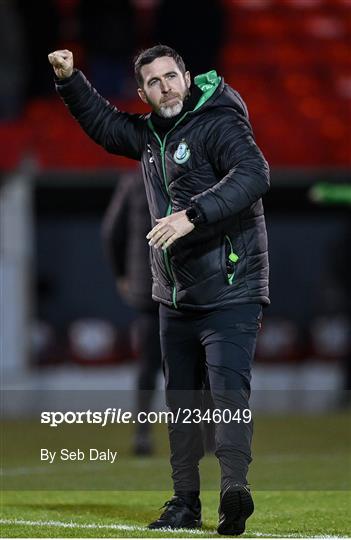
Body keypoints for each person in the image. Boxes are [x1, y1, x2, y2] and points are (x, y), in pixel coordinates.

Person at [48, 44, 270, 535]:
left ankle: (235, 489)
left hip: (232, 287)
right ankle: (185, 504)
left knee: (229, 394)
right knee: (184, 402)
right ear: (144, 92)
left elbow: (255, 174)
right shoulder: (150, 135)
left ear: (187, 78)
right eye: (154, 81)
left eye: (171, 76)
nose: (165, 86)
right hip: (175, 296)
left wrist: (192, 216)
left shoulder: (219, 121)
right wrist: (69, 80)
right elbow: (105, 125)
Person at [101, 174, 162, 455]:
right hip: (189, 289)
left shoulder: (133, 182)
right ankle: (205, 435)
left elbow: (111, 231)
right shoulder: (195, 174)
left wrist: (122, 275)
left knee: (148, 365)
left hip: (147, 287)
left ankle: (142, 434)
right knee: (198, 362)